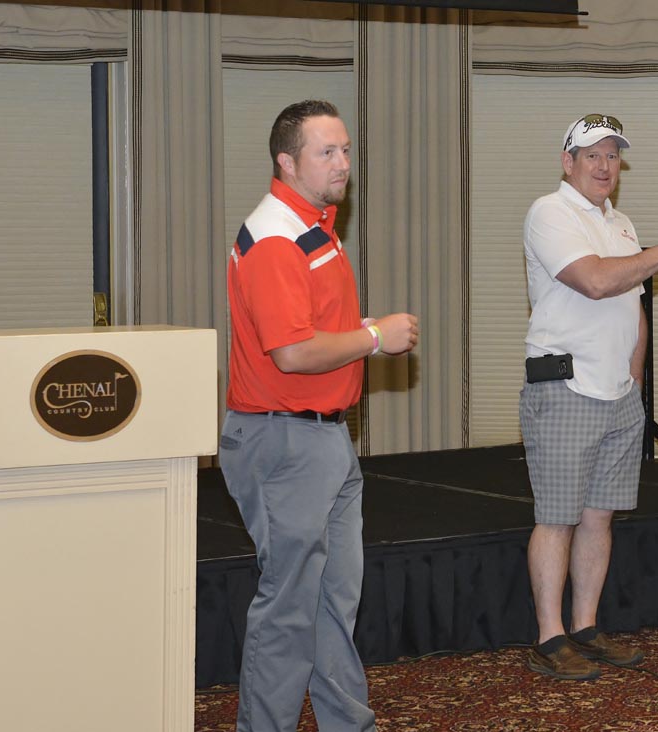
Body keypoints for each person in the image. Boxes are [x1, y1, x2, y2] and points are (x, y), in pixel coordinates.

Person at [220, 99, 419, 732]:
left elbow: (308, 330)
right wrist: (374, 337)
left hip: (323, 437)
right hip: (284, 440)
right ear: (287, 161)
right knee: (290, 607)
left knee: (334, 602)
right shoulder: (276, 237)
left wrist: (359, 330)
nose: (342, 163)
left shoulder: (312, 224)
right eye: (326, 152)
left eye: (345, 150)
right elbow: (293, 352)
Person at [520, 113, 658, 680]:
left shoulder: (620, 222)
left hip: (618, 394)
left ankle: (584, 628)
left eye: (612, 155)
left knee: (599, 517)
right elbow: (597, 280)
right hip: (565, 386)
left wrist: (634, 379)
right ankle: (549, 637)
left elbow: (632, 303)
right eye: (593, 155)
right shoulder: (549, 212)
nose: (605, 166)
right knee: (557, 518)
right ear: (568, 162)